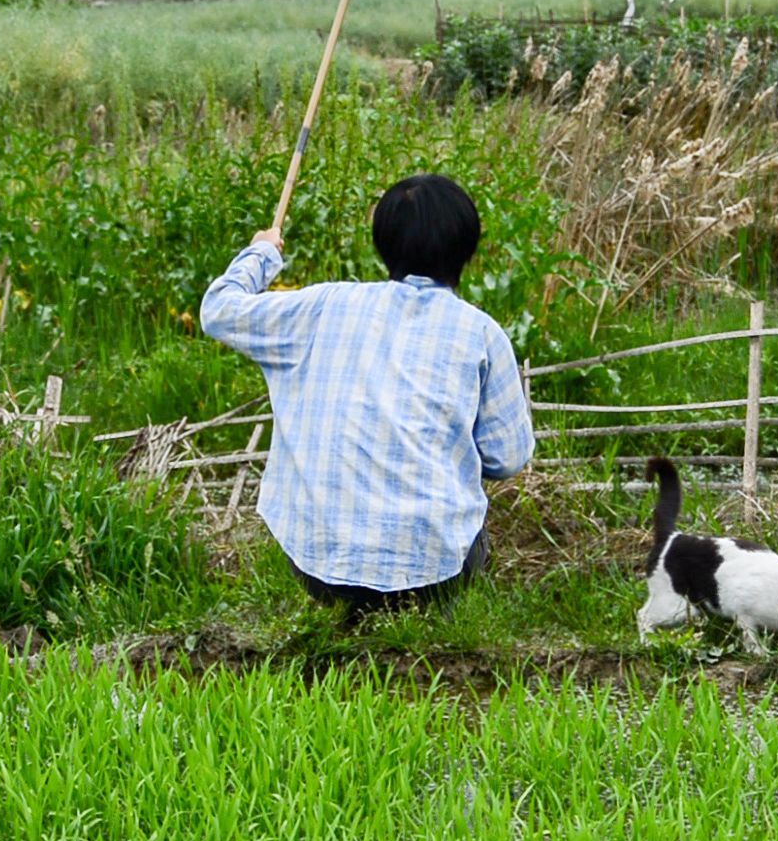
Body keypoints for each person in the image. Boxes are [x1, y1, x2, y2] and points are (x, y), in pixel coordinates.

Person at [199, 174, 535, 621]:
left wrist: (261, 253)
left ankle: (348, 608)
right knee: (468, 521)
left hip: (316, 567)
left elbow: (219, 310)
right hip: (436, 574)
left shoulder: (323, 306)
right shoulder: (481, 334)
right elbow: (508, 458)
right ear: (467, 249)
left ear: (384, 244)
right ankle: (427, 613)